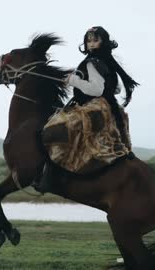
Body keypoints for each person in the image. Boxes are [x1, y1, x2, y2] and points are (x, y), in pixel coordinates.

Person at [35, 26, 139, 193]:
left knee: (53, 129)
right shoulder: (107, 61)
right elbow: (116, 89)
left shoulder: (92, 63)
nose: (91, 44)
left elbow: (96, 90)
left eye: (95, 40)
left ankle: (54, 177)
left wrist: (73, 80)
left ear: (103, 42)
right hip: (109, 107)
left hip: (95, 106)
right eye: (88, 40)